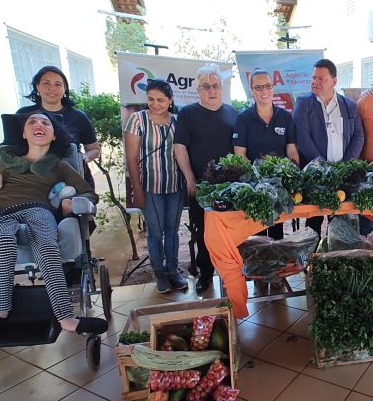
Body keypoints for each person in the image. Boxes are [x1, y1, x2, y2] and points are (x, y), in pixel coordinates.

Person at [0, 112, 106, 338]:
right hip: (4, 213)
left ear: (53, 136)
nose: (39, 125)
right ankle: (0, 314)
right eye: (32, 122)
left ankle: (66, 319)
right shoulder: (5, 160)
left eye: (46, 123)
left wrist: (69, 203)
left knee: (46, 248)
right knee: (3, 241)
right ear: (24, 133)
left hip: (39, 210)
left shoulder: (58, 165)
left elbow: (90, 193)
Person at [173, 64, 238, 292]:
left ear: (222, 88)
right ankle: (206, 273)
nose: (212, 90)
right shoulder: (188, 114)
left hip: (230, 188)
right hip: (200, 187)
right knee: (203, 233)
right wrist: (190, 178)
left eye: (216, 86)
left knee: (231, 233)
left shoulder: (232, 113)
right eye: (206, 86)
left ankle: (232, 274)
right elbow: (179, 148)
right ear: (198, 89)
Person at [124, 79, 189, 293]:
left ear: (170, 101)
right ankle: (159, 273)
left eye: (161, 99)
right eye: (151, 99)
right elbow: (131, 159)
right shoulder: (137, 120)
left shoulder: (178, 121)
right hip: (150, 186)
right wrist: (137, 191)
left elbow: (182, 152)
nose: (155, 103)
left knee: (172, 231)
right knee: (155, 232)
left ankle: (173, 271)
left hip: (175, 185)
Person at [293, 59, 365, 235]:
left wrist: (345, 166)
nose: (315, 82)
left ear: (334, 81)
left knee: (340, 223)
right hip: (316, 175)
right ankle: (311, 257)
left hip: (343, 174)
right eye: (313, 78)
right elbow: (302, 137)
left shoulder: (349, 106)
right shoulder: (304, 103)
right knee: (314, 222)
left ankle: (336, 256)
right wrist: (322, 168)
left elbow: (358, 136)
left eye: (321, 78)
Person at [233, 69, 299, 240]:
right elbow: (240, 155)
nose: (264, 91)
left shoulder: (285, 117)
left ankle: (276, 266)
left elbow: (291, 150)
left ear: (273, 88)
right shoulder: (243, 119)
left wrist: (291, 174)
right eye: (259, 87)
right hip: (255, 186)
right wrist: (260, 179)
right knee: (257, 234)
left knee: (277, 232)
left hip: (280, 186)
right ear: (252, 90)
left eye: (268, 86)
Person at [17, 66, 101, 187]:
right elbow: (12, 147)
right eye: (46, 83)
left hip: (73, 179)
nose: (52, 88)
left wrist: (81, 159)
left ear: (64, 88)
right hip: (34, 181)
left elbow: (94, 149)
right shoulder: (23, 115)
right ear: (37, 86)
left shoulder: (78, 116)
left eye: (57, 84)